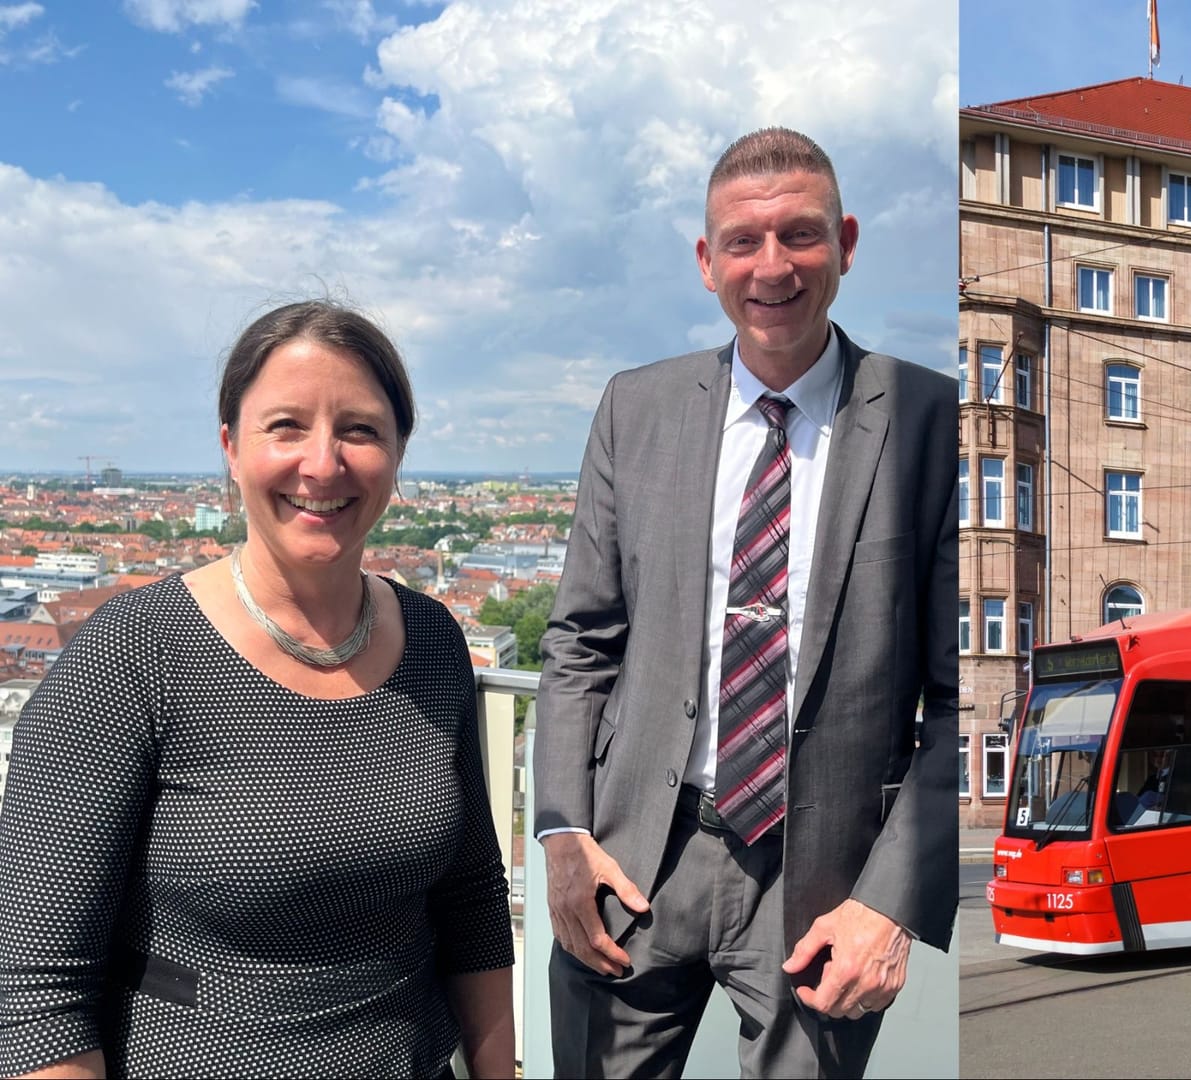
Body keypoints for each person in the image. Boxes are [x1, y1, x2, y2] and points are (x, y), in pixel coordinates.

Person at [534, 127, 958, 1078]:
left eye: (801, 235)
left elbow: (959, 697)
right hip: (637, 853)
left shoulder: (933, 421)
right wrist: (563, 832)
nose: (773, 266)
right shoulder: (634, 409)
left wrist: (891, 902)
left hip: (825, 885)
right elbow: (580, 642)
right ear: (706, 260)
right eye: (743, 240)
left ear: (846, 242)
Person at [0, 301, 514, 1079]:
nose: (323, 463)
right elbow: (37, 991)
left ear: (399, 453)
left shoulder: (434, 640)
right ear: (231, 448)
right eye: (286, 426)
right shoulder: (132, 654)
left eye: (360, 429)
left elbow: (472, 900)